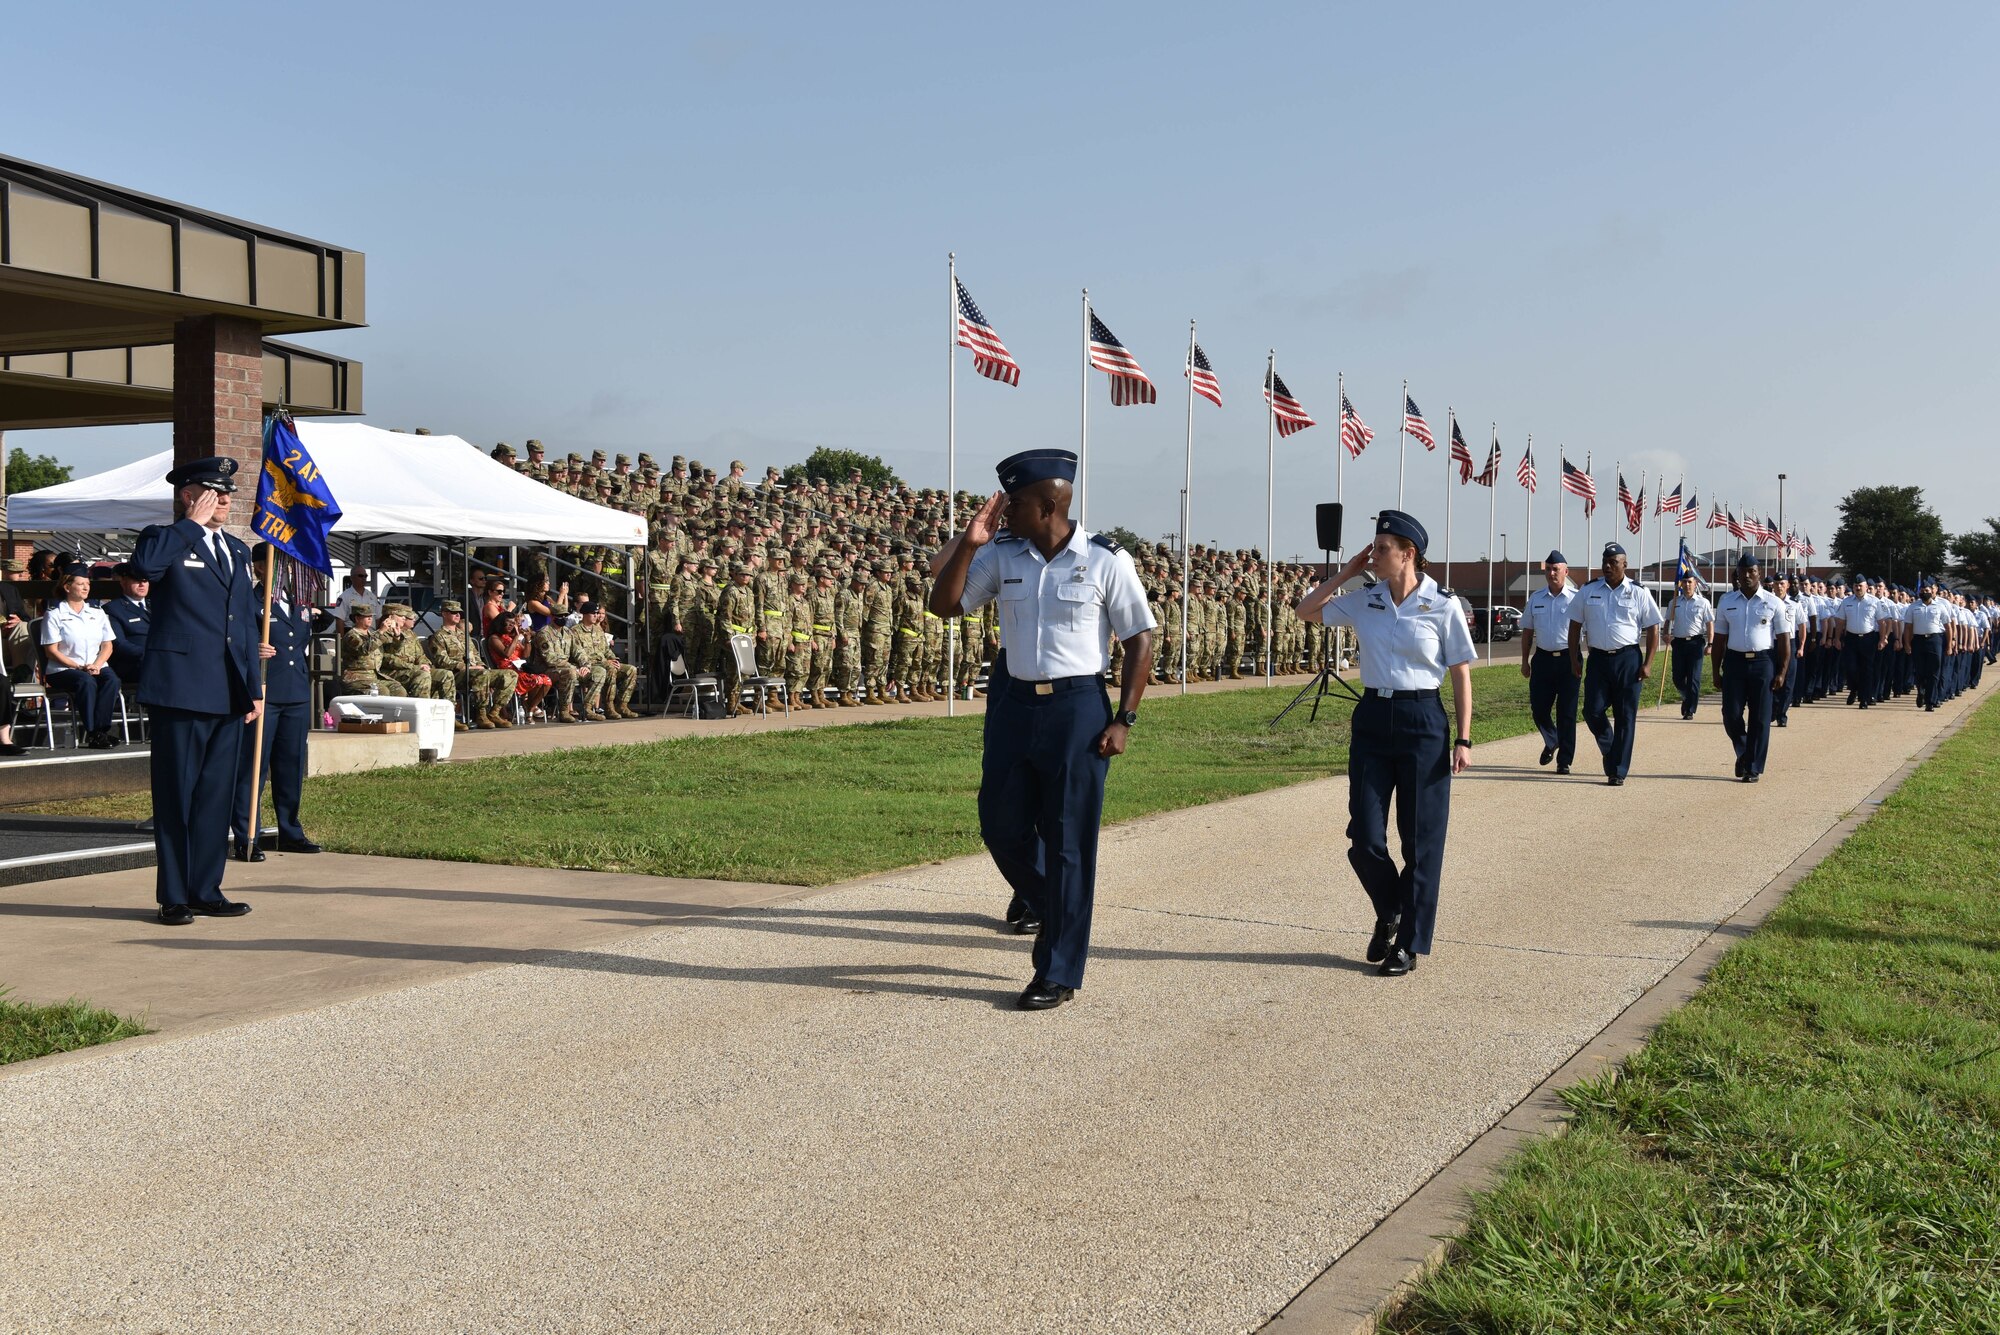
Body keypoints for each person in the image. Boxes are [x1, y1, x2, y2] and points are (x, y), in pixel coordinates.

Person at [929, 448, 1155, 1011]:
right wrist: (969, 543)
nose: (1005, 513)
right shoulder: (1002, 553)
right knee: (1000, 825)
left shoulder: (1106, 559)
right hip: (1013, 702)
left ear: (1050, 504)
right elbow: (945, 604)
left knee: (1069, 843)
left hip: (1077, 706)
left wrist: (1124, 719)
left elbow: (1140, 641)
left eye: (1017, 504)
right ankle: (1059, 909)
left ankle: (1057, 970)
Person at [1296, 510, 1475, 976]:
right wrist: (1348, 572)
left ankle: (1408, 945)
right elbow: (1306, 610)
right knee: (1365, 837)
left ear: (1408, 554)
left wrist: (1464, 738)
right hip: (1374, 717)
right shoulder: (1366, 597)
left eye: (1380, 549)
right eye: (1373, 548)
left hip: (1423, 720)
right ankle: (1392, 907)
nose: (1373, 555)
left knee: (1420, 839)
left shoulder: (1443, 603)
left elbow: (1460, 672)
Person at [130, 456, 262, 925]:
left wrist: (254, 687)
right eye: (215, 492)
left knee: (214, 797)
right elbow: (143, 569)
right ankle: (174, 896)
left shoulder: (238, 551)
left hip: (228, 691)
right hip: (181, 689)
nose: (226, 500)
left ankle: (207, 888)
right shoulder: (162, 537)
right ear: (188, 495)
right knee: (176, 795)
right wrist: (190, 525)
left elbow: (244, 624)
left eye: (228, 493)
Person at [231, 544, 323, 859]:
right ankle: (247, 834)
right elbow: (232, 638)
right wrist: (251, 649)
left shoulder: (299, 603)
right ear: (259, 568)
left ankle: (290, 831)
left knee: (290, 766)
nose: (282, 572)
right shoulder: (249, 601)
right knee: (253, 767)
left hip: (295, 693)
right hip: (264, 694)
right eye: (275, 565)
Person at [1567, 542, 1662, 787]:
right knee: (1592, 710)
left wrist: (1649, 663)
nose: (1608, 566)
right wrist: (1573, 657)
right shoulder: (1589, 590)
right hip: (1598, 659)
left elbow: (1653, 627)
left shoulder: (1638, 592)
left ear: (1625, 564)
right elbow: (1575, 624)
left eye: (1613, 562)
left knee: (1625, 716)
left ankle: (1618, 770)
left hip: (1628, 659)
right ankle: (1610, 748)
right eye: (1605, 562)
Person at [1712, 553, 1792, 783]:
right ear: (1737, 573)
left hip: (1762, 662)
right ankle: (1745, 751)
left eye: (1752, 572)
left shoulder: (1773, 602)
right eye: (1743, 572)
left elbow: (1784, 639)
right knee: (1731, 714)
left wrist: (1782, 671)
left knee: (1760, 718)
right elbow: (1719, 639)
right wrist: (1716, 669)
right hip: (1735, 662)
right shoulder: (1727, 601)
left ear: (1759, 573)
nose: (1747, 576)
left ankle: (1753, 767)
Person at [40, 564, 124, 748]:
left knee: (112, 680)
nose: (86, 587)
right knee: (86, 681)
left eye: (87, 583)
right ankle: (93, 733)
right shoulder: (54, 615)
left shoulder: (97, 613)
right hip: (64, 669)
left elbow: (107, 645)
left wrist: (96, 664)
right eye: (80, 584)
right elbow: (51, 651)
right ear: (67, 587)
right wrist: (79, 667)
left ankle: (101, 730)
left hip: (95, 665)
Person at [1519, 551, 1579, 773]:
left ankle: (1564, 761)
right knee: (1538, 708)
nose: (1552, 573)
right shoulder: (1536, 598)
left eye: (1556, 569)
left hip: (1569, 659)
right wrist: (1524, 662)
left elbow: (1589, 631)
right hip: (1543, 660)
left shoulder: (1576, 598)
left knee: (1567, 712)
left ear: (1566, 571)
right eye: (1548, 569)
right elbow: (1527, 632)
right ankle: (1551, 739)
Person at [1666, 573, 1715, 720]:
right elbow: (1668, 620)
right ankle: (1688, 698)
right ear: (1681, 584)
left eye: (1690, 582)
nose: (1687, 585)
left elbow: (1709, 624)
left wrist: (1710, 644)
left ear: (1695, 584)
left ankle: (1689, 709)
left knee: (1693, 678)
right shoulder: (1674, 602)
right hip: (1679, 643)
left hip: (1696, 643)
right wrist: (1665, 633)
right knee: (1677, 678)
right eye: (1685, 582)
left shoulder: (1703, 603)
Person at [104, 562, 151, 686]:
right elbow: (119, 644)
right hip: (134, 663)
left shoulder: (157, 606)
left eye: (145, 580)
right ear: (123, 582)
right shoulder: (113, 609)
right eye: (136, 580)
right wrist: (150, 653)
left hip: (160, 660)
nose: (142, 584)